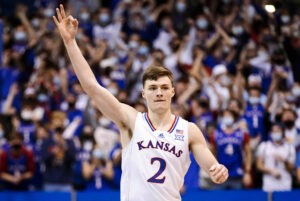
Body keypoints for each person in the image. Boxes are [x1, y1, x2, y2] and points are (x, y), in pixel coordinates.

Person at [53, 5, 228, 201]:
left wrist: (216, 170)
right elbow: (92, 87)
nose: (159, 92)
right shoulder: (131, 120)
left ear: (172, 91)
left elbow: (210, 164)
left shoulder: (189, 130)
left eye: (163, 87)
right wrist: (70, 43)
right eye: (153, 88)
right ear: (144, 93)